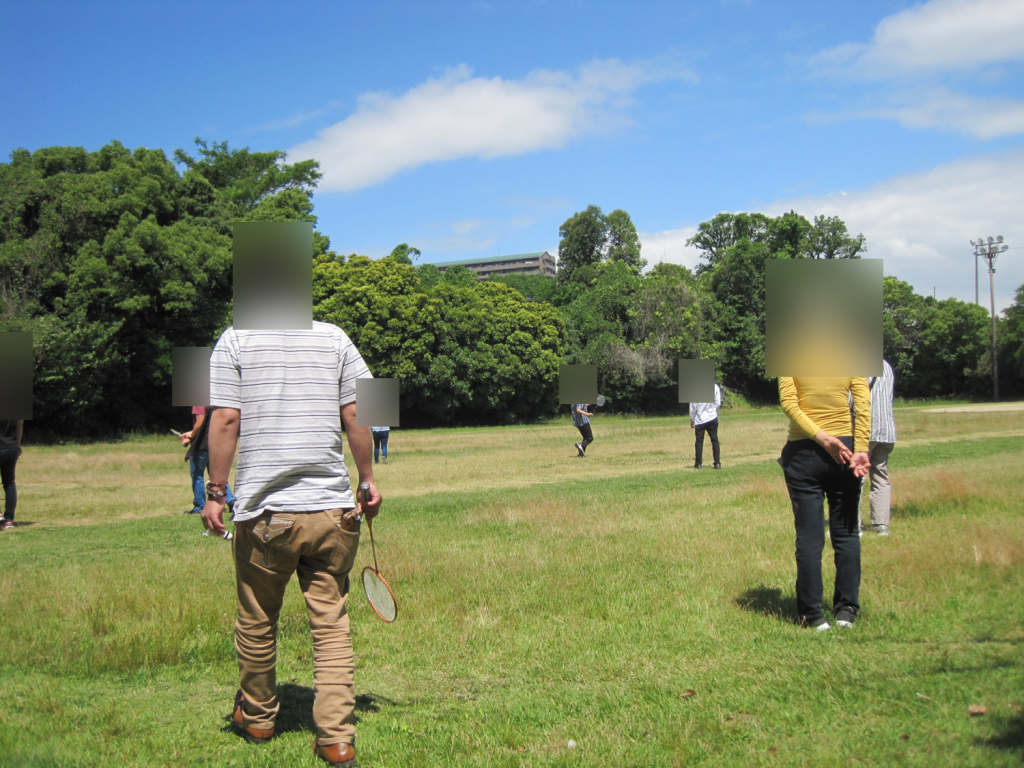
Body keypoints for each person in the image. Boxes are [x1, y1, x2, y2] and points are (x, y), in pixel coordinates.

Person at [202, 320, 381, 768]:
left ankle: (259, 717)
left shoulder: (235, 340)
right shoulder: (335, 337)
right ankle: (337, 740)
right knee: (331, 623)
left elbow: (225, 418)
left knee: (258, 617)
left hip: (266, 513)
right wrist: (369, 479)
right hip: (333, 513)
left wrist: (215, 492)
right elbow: (361, 412)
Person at [778, 377, 871, 632]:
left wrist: (822, 437)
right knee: (847, 532)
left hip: (804, 449)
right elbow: (863, 401)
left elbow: (789, 403)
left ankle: (812, 615)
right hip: (847, 446)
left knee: (809, 538)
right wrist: (862, 446)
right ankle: (846, 610)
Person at [181, 406, 236, 527]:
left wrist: (190, 437)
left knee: (197, 476)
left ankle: (199, 506)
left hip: (202, 445)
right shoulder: (215, 401)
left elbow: (200, 423)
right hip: (214, 442)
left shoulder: (199, 401)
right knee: (218, 476)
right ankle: (231, 501)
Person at [864, 359, 897, 536]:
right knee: (880, 475)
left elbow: (852, 398)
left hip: (867, 428)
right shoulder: (886, 365)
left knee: (855, 476)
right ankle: (881, 525)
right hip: (887, 429)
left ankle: (851, 524)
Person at [689, 383, 722, 469]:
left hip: (700, 419)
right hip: (712, 417)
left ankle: (698, 463)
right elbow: (718, 403)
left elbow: (693, 407)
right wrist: (712, 411)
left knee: (699, 441)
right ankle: (717, 463)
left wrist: (692, 420)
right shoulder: (715, 387)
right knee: (715, 440)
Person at [0, 419, 23, 530]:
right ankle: (8, 520)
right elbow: (20, 423)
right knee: (9, 483)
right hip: (11, 447)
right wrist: (18, 444)